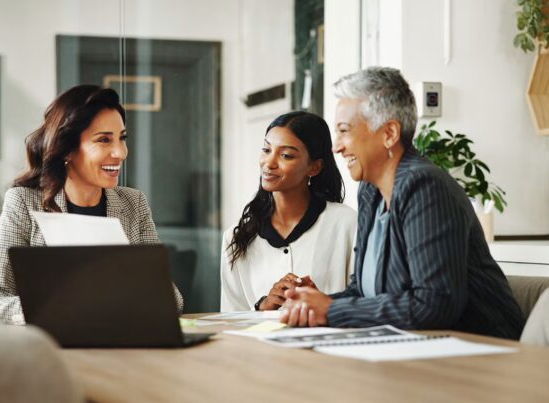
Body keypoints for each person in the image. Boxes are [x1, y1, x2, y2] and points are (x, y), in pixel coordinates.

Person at [280, 67, 525, 339]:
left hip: (486, 355)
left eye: (344, 131)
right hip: (415, 350)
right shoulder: (370, 192)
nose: (336, 146)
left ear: (389, 134)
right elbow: (362, 292)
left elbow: (434, 304)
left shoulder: (424, 186)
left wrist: (332, 310)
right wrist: (314, 303)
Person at [0, 85, 183, 325]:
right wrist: (52, 306)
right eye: (104, 140)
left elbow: (172, 299)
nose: (120, 152)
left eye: (122, 138)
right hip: (51, 350)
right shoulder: (23, 202)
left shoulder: (133, 203)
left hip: (121, 346)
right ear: (67, 149)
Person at [220, 111, 357, 312]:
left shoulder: (348, 223)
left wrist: (324, 303)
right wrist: (262, 309)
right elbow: (229, 321)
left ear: (314, 167)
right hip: (259, 344)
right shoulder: (235, 237)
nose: (269, 163)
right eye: (266, 150)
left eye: (286, 155)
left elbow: (365, 303)